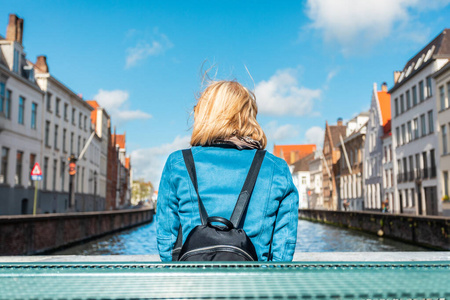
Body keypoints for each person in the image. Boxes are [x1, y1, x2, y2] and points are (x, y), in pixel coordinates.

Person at [156, 80, 299, 262]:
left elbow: (167, 242)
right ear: (248, 115)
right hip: (253, 287)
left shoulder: (178, 163)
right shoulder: (276, 168)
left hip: (193, 284)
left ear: (204, 114)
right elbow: (283, 253)